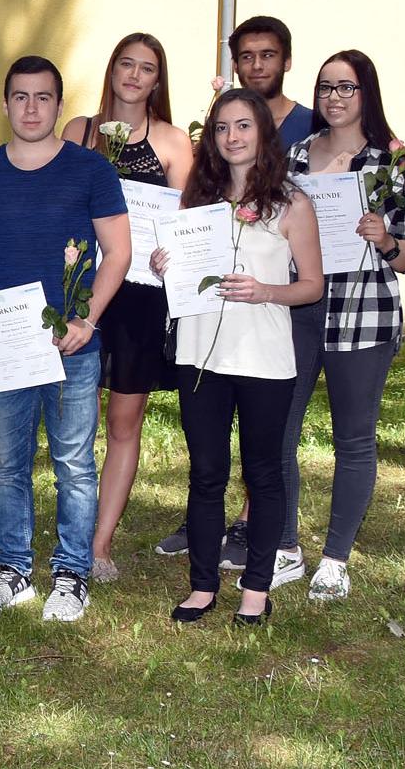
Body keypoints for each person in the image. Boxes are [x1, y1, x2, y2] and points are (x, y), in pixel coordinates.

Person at [0, 56, 129, 624]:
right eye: (21, 97)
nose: (31, 108)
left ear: (59, 103)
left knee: (73, 461)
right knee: (8, 463)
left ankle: (72, 574)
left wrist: (88, 320)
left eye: (44, 97)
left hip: (71, 342)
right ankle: (15, 570)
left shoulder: (92, 171)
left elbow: (118, 252)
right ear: (4, 104)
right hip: (5, 342)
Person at [156, 89, 324, 625]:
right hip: (201, 355)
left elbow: (313, 286)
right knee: (206, 473)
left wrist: (266, 291)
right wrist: (166, 265)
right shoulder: (196, 202)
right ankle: (202, 586)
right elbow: (182, 275)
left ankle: (256, 587)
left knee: (263, 475)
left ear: (263, 134)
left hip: (265, 359)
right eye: (223, 127)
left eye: (244, 126)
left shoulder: (292, 203)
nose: (233, 137)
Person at [281, 51, 405, 600]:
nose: (334, 97)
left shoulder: (392, 163)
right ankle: (286, 548)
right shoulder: (295, 156)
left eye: (346, 87)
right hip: (297, 311)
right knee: (278, 433)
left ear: (367, 92)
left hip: (363, 316)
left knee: (354, 440)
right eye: (325, 88)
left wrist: (385, 240)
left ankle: (336, 557)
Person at [60, 35, 193, 579]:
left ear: (157, 81)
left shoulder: (173, 141)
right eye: (126, 64)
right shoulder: (78, 132)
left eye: (147, 69)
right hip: (78, 287)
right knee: (75, 417)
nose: (135, 76)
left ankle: (100, 542)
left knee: (123, 419)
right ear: (111, 69)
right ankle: (74, 519)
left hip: (139, 296)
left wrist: (173, 253)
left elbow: (183, 222)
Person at [228, 16, 314, 148]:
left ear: (287, 62)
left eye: (267, 55)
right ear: (235, 66)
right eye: (247, 57)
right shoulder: (225, 132)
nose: (257, 66)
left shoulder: (314, 127)